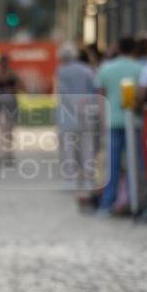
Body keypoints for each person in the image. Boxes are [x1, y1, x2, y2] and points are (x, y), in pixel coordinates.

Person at [95, 36, 144, 214]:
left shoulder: (106, 69)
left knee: (112, 165)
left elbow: (100, 97)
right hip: (135, 122)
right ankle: (133, 200)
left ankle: (108, 202)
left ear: (118, 49)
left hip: (112, 121)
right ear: (134, 49)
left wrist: (102, 122)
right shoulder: (140, 68)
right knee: (135, 163)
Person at [55, 44, 98, 206]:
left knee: (68, 149)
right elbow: (93, 91)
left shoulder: (61, 71)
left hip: (68, 115)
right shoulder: (88, 69)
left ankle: (70, 180)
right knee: (88, 148)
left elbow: (63, 93)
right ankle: (89, 179)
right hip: (87, 113)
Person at [0, 54, 19, 164]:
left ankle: (8, 155)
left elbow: (21, 87)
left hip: (11, 106)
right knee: (3, 132)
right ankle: (3, 155)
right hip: (0, 107)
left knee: (9, 133)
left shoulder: (12, 77)